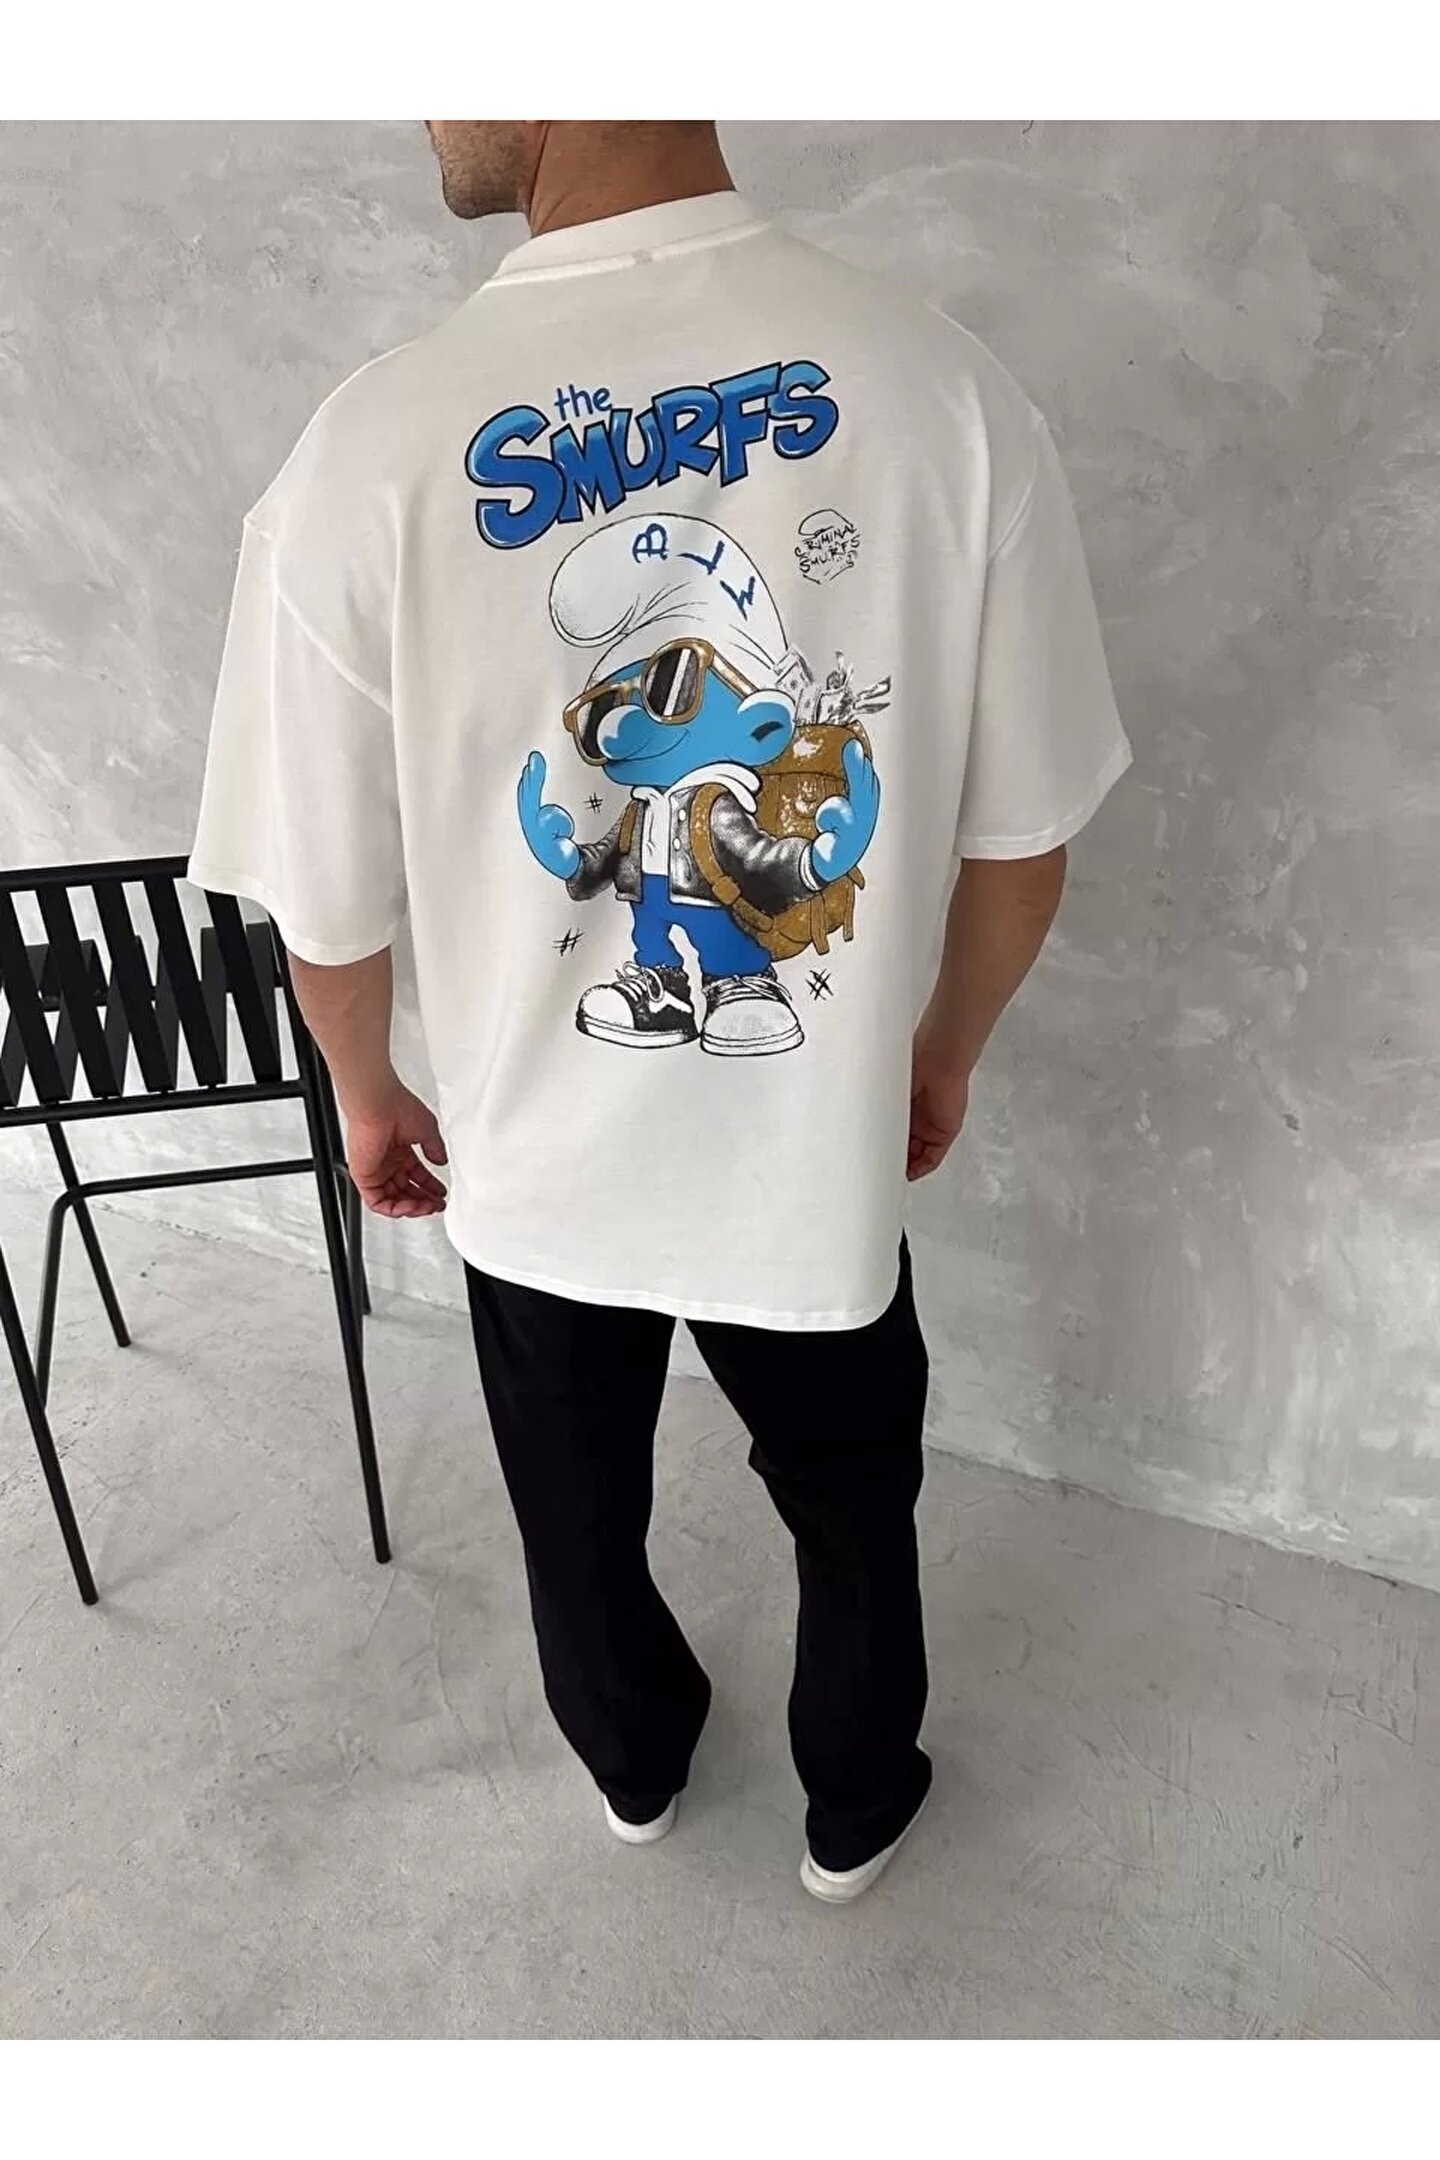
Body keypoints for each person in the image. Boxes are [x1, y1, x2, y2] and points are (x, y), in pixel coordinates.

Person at [190, 121, 1131, 1903]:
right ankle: (856, 1795)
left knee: (574, 1510)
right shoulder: (944, 391)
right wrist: (938, 1054)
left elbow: (324, 903)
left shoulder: (365, 452)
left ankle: (634, 1755)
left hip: (534, 1172)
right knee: (853, 1505)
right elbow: (1024, 840)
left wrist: (367, 1094)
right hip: (811, 1165)